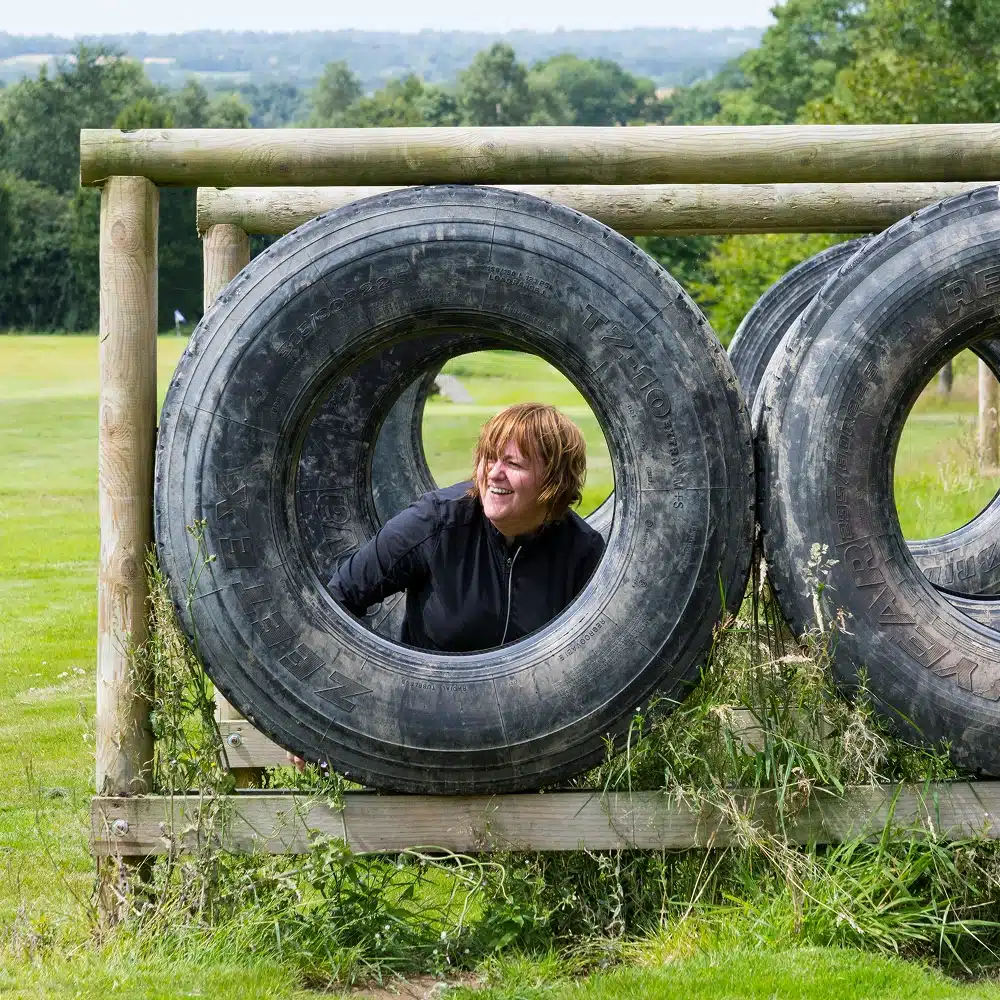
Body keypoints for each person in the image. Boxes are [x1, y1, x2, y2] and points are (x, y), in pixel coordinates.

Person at [328, 401, 606, 652]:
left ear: (552, 481)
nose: (494, 473)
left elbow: (596, 650)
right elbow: (339, 598)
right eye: (489, 458)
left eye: (514, 464)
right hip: (427, 699)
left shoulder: (583, 550)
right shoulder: (435, 521)